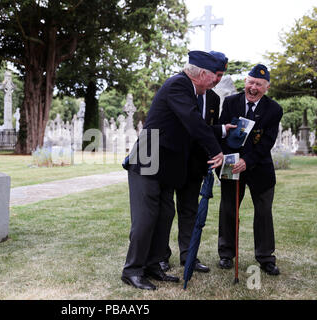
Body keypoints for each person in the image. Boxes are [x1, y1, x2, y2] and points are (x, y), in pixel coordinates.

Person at [121, 51, 224, 290]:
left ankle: (154, 264)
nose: (214, 83)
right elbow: (192, 120)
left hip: (166, 165)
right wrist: (215, 150)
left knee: (165, 215)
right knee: (145, 219)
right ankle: (132, 270)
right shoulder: (178, 84)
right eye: (212, 78)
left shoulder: (190, 89)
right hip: (148, 159)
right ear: (200, 75)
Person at [159, 51, 237, 274]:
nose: (217, 79)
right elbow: (189, 124)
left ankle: (189, 256)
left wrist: (222, 130)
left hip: (195, 164)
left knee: (190, 212)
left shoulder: (212, 98)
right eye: (216, 74)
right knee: (166, 212)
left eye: (221, 75)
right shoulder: (180, 87)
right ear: (204, 72)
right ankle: (161, 257)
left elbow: (204, 127)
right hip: (172, 160)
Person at [217, 64, 283, 275]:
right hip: (231, 164)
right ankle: (226, 254)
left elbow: (266, 143)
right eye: (251, 82)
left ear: (267, 87)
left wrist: (247, 160)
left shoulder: (274, 110)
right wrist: (228, 158)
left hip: (259, 168)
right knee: (228, 209)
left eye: (259, 85)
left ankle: (265, 257)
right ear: (245, 82)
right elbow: (223, 133)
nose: (253, 88)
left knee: (263, 213)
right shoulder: (230, 102)